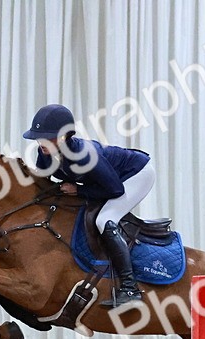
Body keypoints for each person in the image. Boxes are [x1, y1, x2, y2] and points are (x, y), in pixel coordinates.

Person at [24, 104, 153, 309]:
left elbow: (115, 190)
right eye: (38, 137)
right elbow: (41, 185)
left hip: (136, 174)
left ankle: (130, 288)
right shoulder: (45, 152)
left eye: (46, 137)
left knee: (105, 219)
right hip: (108, 182)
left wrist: (79, 191)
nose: (40, 143)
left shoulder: (85, 154)